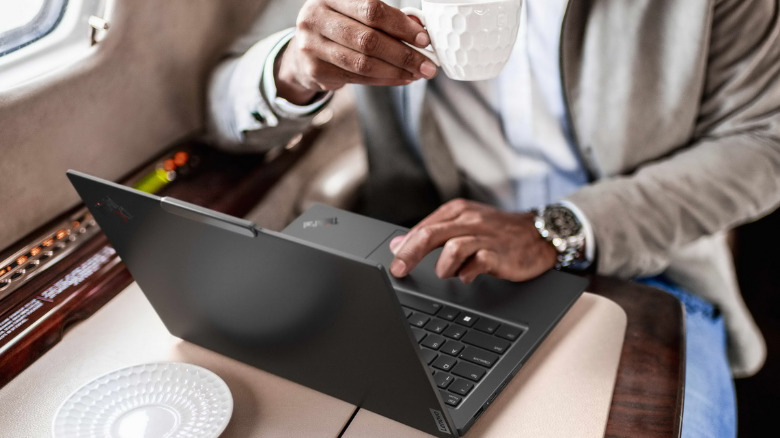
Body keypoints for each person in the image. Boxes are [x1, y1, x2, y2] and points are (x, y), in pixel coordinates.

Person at [207, 0, 780, 436]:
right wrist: (294, 68)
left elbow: (763, 143)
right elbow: (224, 101)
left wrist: (560, 227)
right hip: (428, 259)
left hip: (644, 274)